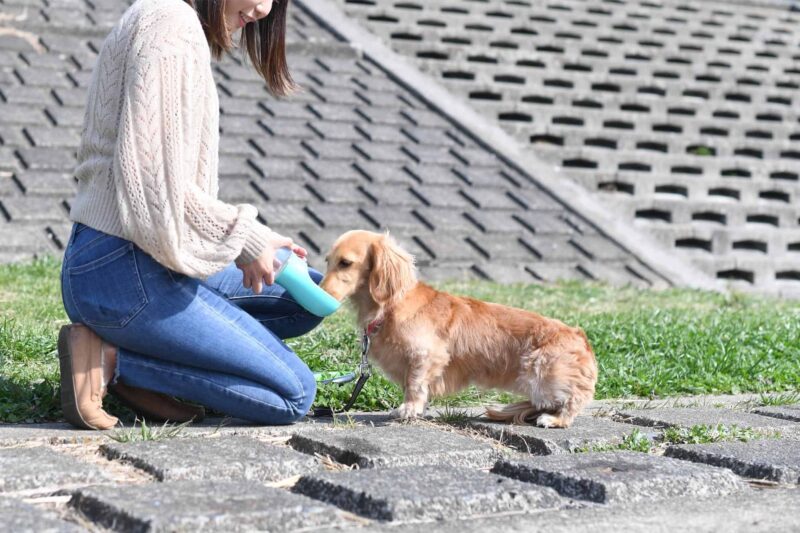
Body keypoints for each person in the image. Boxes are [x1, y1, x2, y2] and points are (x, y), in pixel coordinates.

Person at [58, 0, 322, 430]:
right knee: (292, 394)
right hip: (122, 272)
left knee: (302, 297)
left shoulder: (173, 23)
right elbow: (152, 187)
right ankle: (110, 360)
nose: (263, 8)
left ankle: (154, 354)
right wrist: (246, 239)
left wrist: (254, 242)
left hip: (133, 258)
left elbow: (164, 191)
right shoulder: (170, 26)